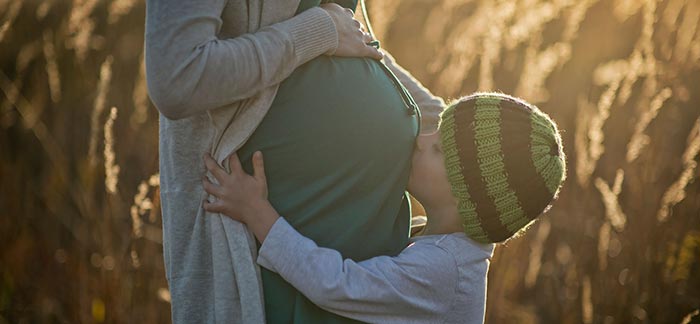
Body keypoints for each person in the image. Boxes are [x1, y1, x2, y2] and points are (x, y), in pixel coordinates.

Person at [145, 0, 445, 322]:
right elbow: (179, 78)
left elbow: (350, 34)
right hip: (268, 272)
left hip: (357, 262)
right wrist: (320, 31)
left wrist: (451, 126)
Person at [202, 93, 568, 324]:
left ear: (467, 197)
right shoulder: (451, 247)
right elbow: (418, 98)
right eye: (433, 132)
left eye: (438, 150)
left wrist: (257, 212)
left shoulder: (443, 273)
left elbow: (337, 285)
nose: (420, 141)